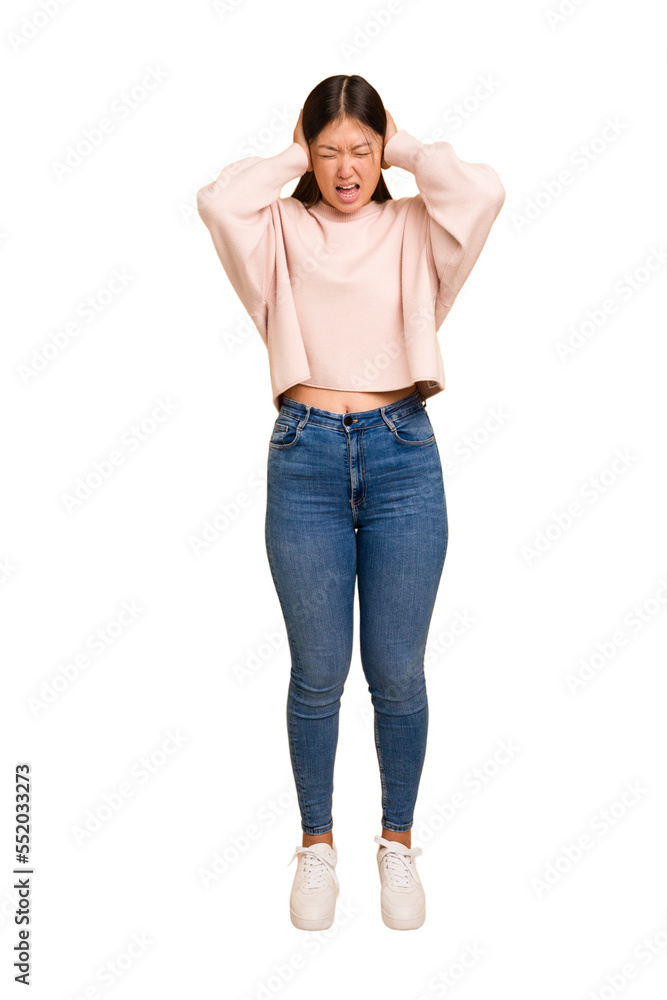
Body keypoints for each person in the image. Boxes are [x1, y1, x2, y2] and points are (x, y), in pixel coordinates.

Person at [196, 74, 505, 931]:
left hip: (402, 455)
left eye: (361, 151)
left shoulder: (413, 228)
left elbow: (482, 193)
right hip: (305, 458)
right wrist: (292, 153)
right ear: (308, 152)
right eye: (328, 152)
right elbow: (217, 203)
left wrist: (404, 147)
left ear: (382, 152)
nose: (345, 169)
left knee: (397, 673)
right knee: (318, 674)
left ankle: (396, 842)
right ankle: (316, 847)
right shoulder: (279, 232)